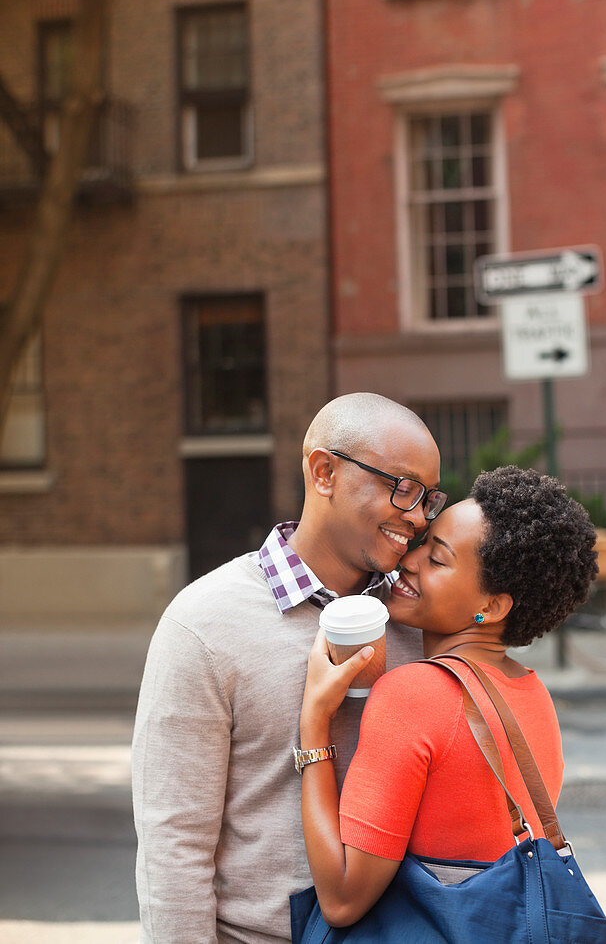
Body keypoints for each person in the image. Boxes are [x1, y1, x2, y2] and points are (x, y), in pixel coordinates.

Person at [131, 392, 446, 944]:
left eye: (428, 498)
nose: (417, 517)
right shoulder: (203, 623)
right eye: (402, 487)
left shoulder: (421, 620)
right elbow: (173, 844)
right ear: (324, 471)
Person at [298, 465, 598, 927]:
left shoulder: (414, 693)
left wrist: (315, 721)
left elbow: (341, 899)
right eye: (423, 544)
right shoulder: (533, 693)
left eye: (437, 560)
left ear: (491, 607)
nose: (410, 561)